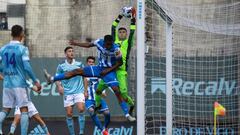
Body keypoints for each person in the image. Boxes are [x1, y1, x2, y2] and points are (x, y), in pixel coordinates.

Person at [44, 35, 135, 121]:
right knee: (77, 71)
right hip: (99, 69)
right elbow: (88, 45)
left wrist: (107, 71)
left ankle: (127, 114)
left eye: (110, 44)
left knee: (117, 90)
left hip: (109, 71)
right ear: (104, 42)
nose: (109, 46)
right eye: (107, 44)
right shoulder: (99, 42)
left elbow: (120, 63)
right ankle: (52, 79)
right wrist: (76, 43)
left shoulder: (116, 49)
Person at [0, 25, 41, 135]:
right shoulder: (22, 48)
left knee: (5, 109)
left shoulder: (2, 49)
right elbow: (27, 67)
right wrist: (36, 80)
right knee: (24, 110)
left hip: (7, 84)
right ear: (21, 34)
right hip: (19, 84)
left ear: (11, 34)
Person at [97, 7, 136, 115]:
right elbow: (113, 27)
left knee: (123, 93)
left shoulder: (128, 43)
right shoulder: (114, 41)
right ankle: (97, 106)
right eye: (121, 32)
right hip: (110, 70)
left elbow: (132, 31)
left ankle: (132, 104)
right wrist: (121, 16)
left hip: (121, 71)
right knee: (99, 89)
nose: (122, 33)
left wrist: (133, 18)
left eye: (124, 32)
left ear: (126, 34)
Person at [55, 46, 85, 135]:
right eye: (69, 51)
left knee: (81, 109)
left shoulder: (79, 64)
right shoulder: (61, 66)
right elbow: (57, 78)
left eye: (72, 51)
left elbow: (85, 77)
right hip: (67, 93)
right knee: (69, 114)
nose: (71, 53)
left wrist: (86, 90)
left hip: (79, 91)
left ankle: (81, 132)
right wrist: (59, 87)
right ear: (65, 54)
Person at [84, 56, 110, 135]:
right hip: (89, 98)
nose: (91, 63)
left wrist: (103, 92)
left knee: (107, 113)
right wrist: (85, 91)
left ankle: (105, 127)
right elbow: (84, 81)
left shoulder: (98, 73)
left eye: (92, 62)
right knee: (91, 111)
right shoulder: (84, 72)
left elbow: (101, 83)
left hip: (98, 98)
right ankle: (103, 130)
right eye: (89, 62)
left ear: (94, 63)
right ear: (87, 63)